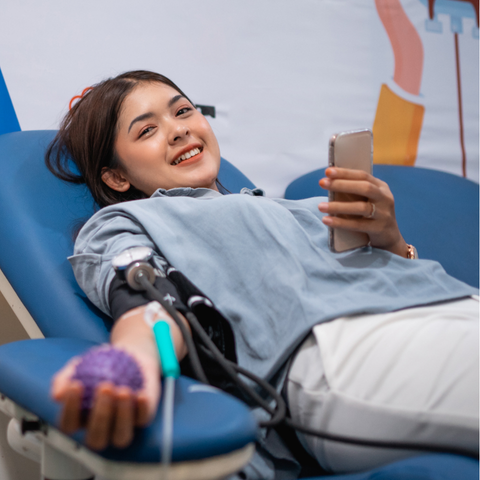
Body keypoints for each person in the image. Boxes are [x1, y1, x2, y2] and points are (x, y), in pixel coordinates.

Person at [46, 70, 478, 479]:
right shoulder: (129, 220)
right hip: (341, 351)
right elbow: (147, 298)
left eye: (183, 111)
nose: (178, 129)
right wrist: (129, 362)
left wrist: (390, 240)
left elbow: (403, 272)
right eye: (147, 129)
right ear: (116, 176)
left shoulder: (305, 208)